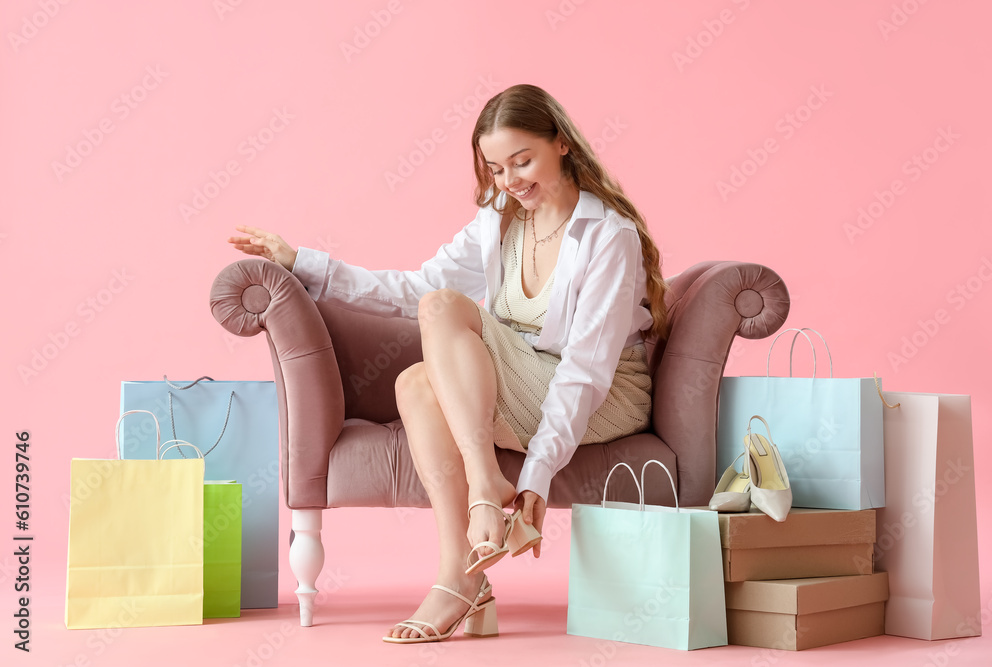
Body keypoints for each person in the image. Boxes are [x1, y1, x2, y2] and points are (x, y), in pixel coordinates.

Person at [227, 83, 670, 643]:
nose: (511, 181)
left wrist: (536, 474)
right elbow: (415, 287)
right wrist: (305, 263)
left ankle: (488, 497)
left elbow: (585, 371)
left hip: (601, 397)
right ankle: (461, 578)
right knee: (415, 381)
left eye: (522, 160)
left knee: (440, 315)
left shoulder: (608, 236)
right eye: (496, 168)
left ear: (561, 143)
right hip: (525, 381)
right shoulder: (500, 220)